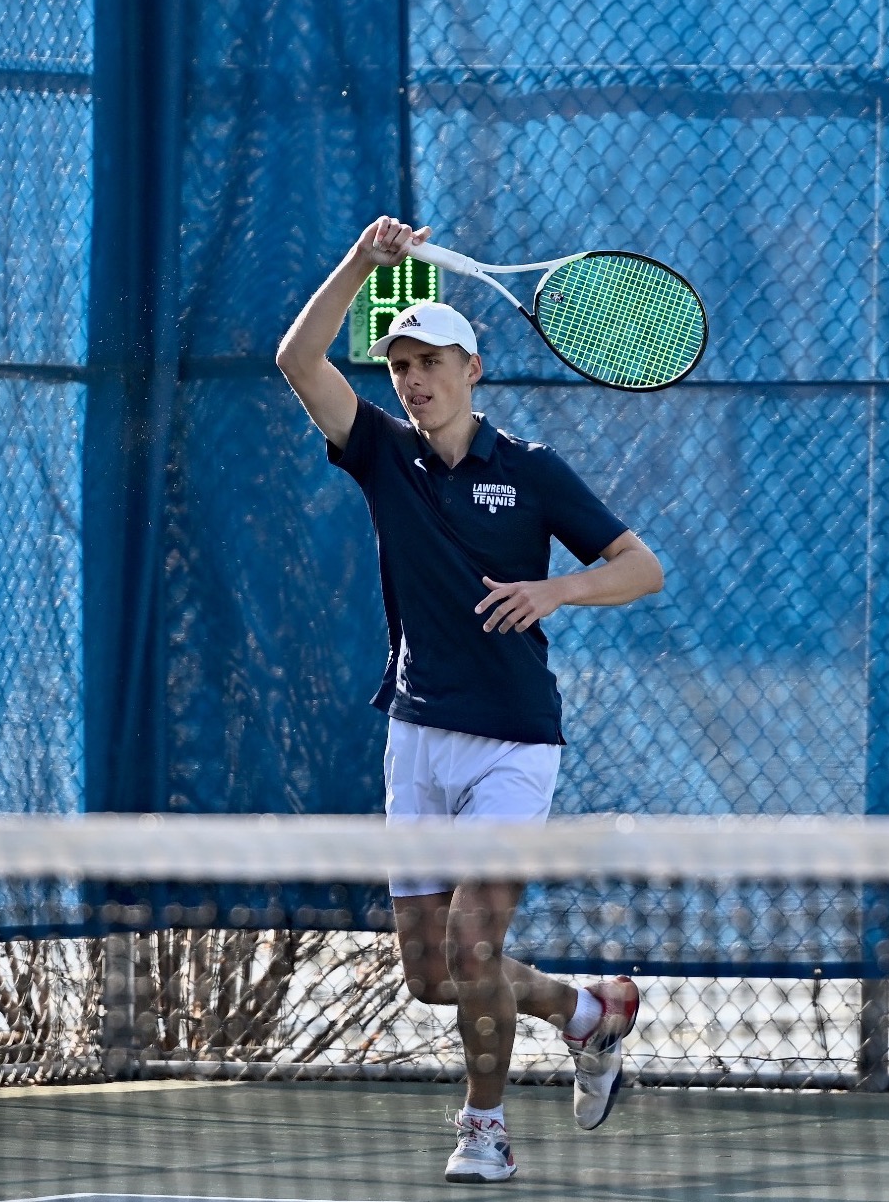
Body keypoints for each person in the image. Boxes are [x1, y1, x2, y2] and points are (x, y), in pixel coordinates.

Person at [275, 216, 666, 1184]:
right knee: (433, 976)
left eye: (430, 362)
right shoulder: (378, 451)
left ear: (472, 368)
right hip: (416, 739)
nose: (413, 379)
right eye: (400, 362)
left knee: (476, 942)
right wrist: (358, 260)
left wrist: (556, 589)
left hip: (513, 745)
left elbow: (641, 567)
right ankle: (588, 1013)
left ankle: (483, 1128)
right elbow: (296, 357)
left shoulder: (530, 471)